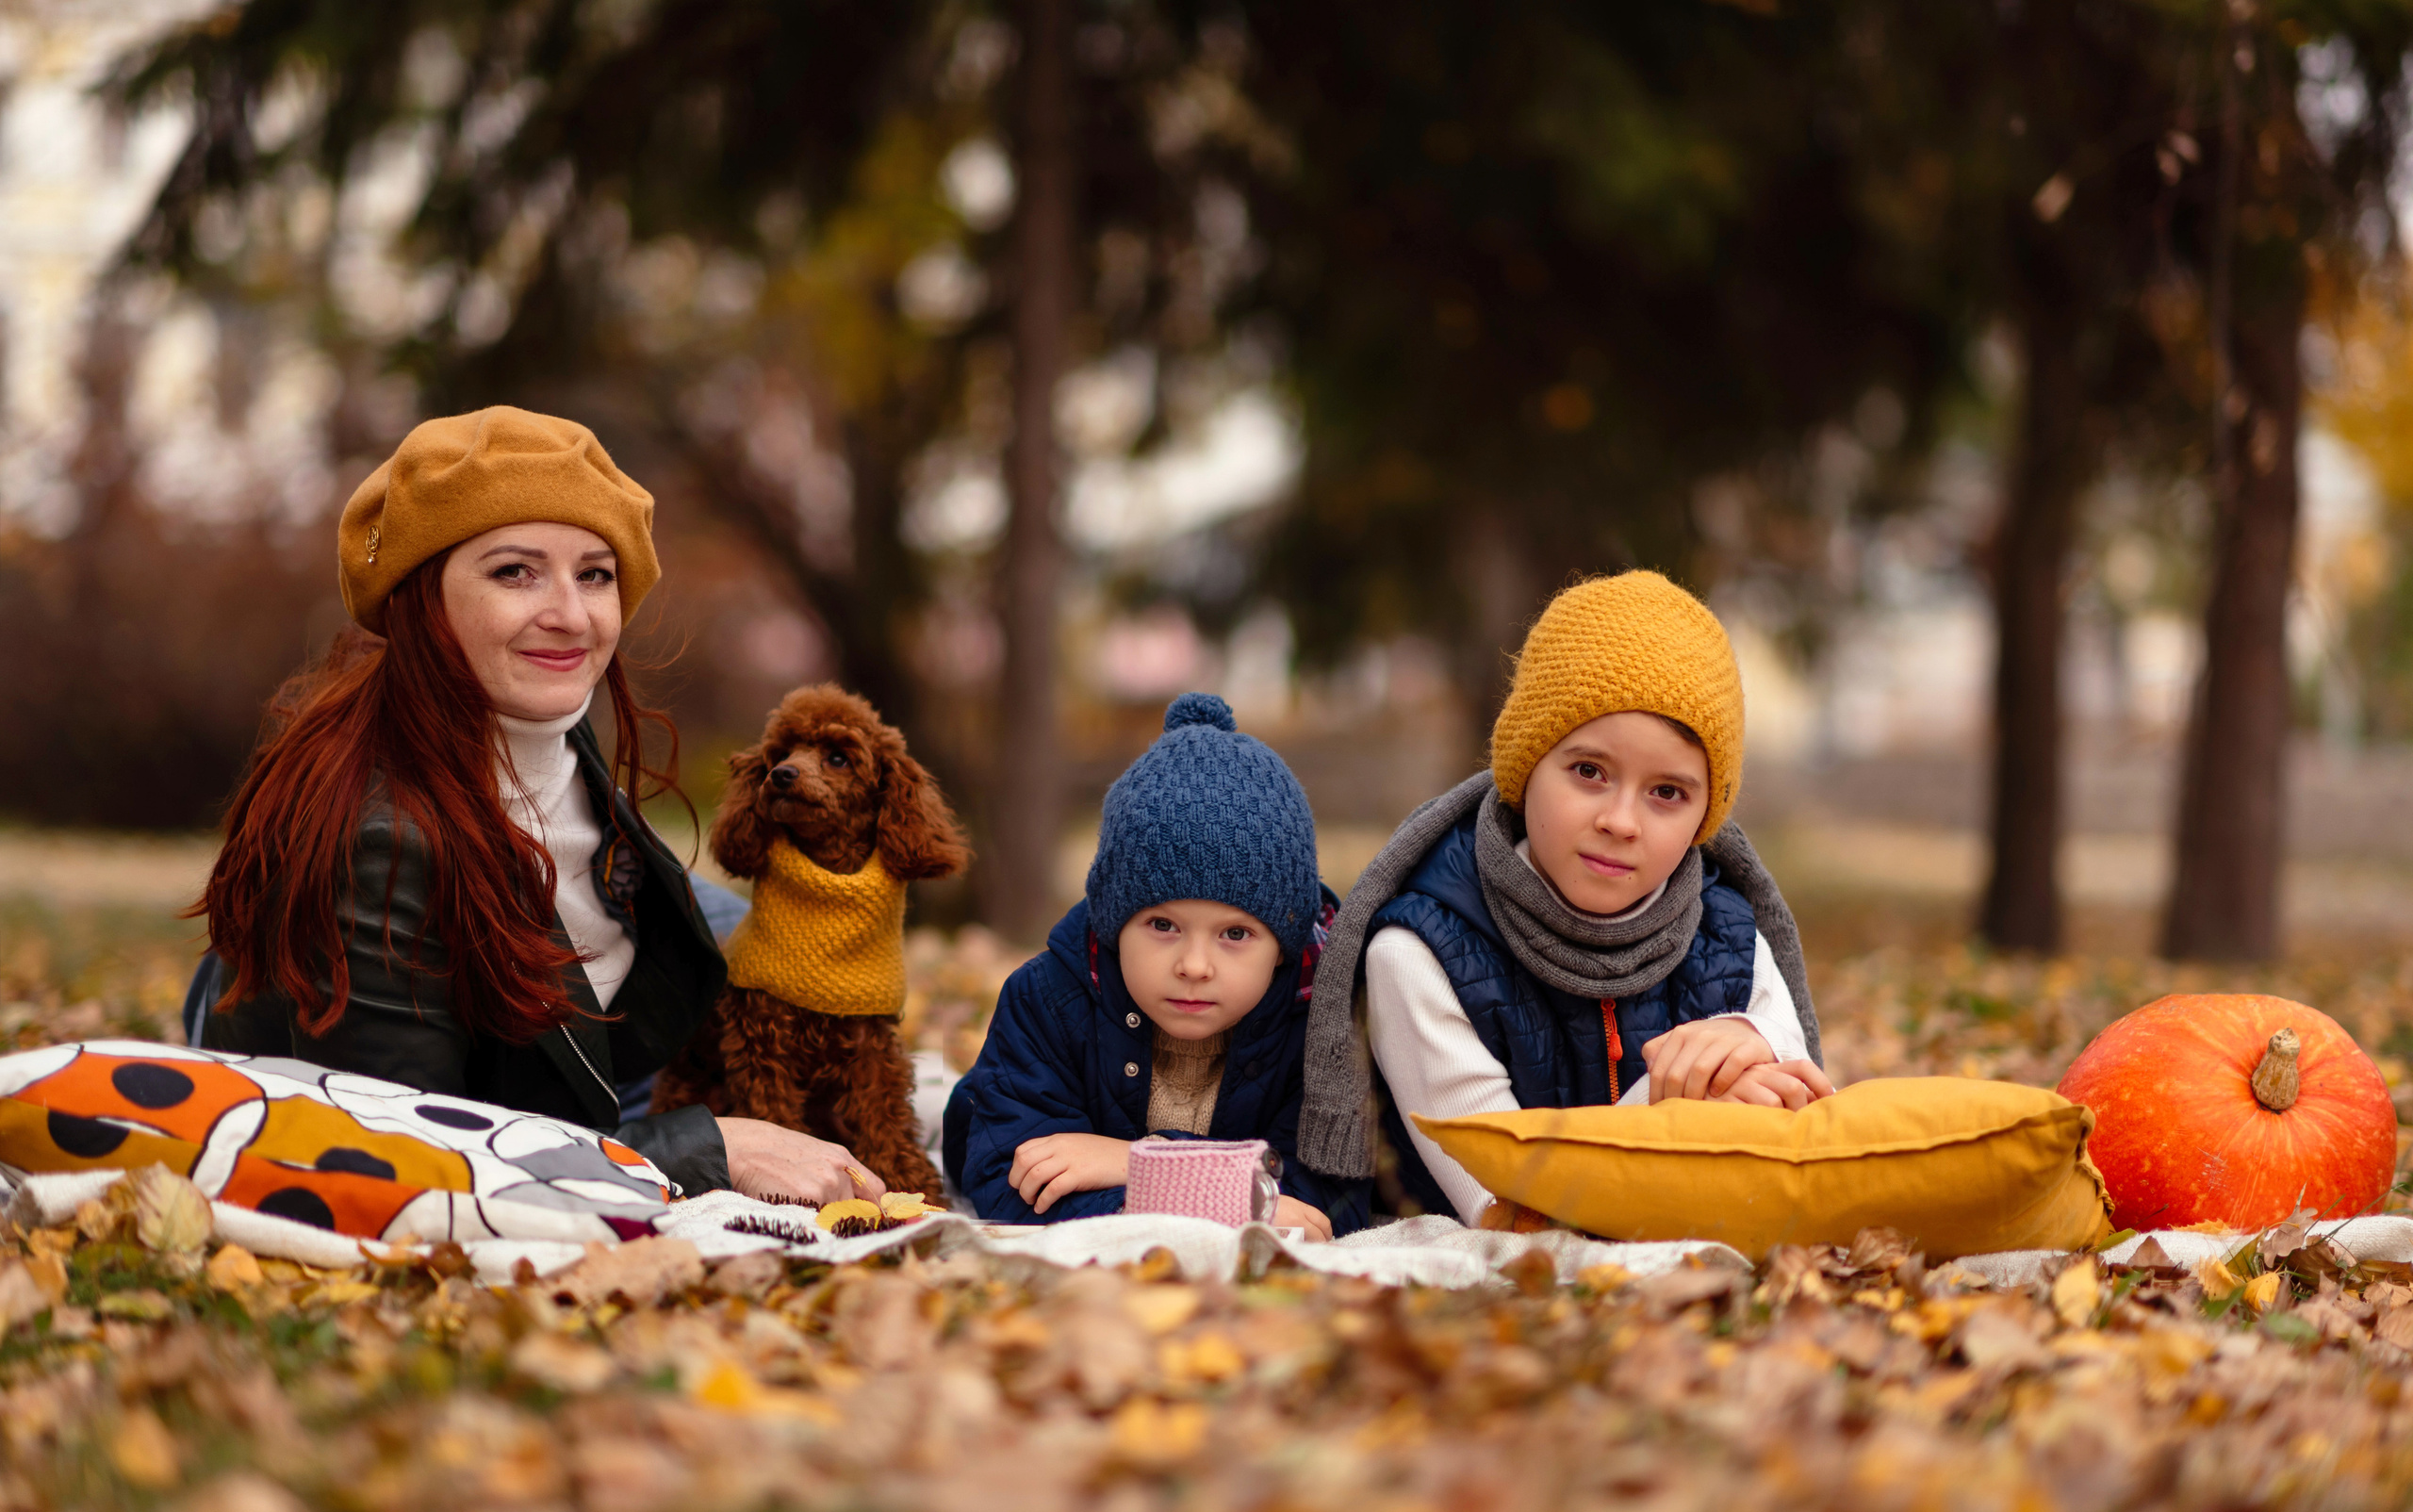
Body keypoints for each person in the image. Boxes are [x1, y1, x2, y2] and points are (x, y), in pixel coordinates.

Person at [196, 405, 884, 1205]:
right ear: (424, 599)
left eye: (594, 573)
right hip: (407, 1069)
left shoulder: (539, 715)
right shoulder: (376, 846)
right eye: (514, 571)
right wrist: (709, 1146)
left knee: (774, 946)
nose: (570, 614)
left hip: (566, 1055)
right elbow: (410, 1162)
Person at [1295, 571, 1830, 1224]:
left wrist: (1756, 1040)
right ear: (1527, 765)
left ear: (1705, 816)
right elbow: (1508, 1203)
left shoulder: (1730, 937)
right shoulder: (1418, 955)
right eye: (1589, 772)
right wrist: (1680, 1112)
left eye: (1668, 792)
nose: (1622, 821)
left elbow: (1808, 1138)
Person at [942, 694, 1371, 1237]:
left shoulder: (1317, 1024)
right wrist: (1240, 1198)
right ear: (1115, 923)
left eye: (1235, 934)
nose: (1194, 965)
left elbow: (1327, 1208)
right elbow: (1015, 1186)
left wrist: (1136, 1163)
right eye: (1163, 926)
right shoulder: (1047, 999)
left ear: (1283, 946)